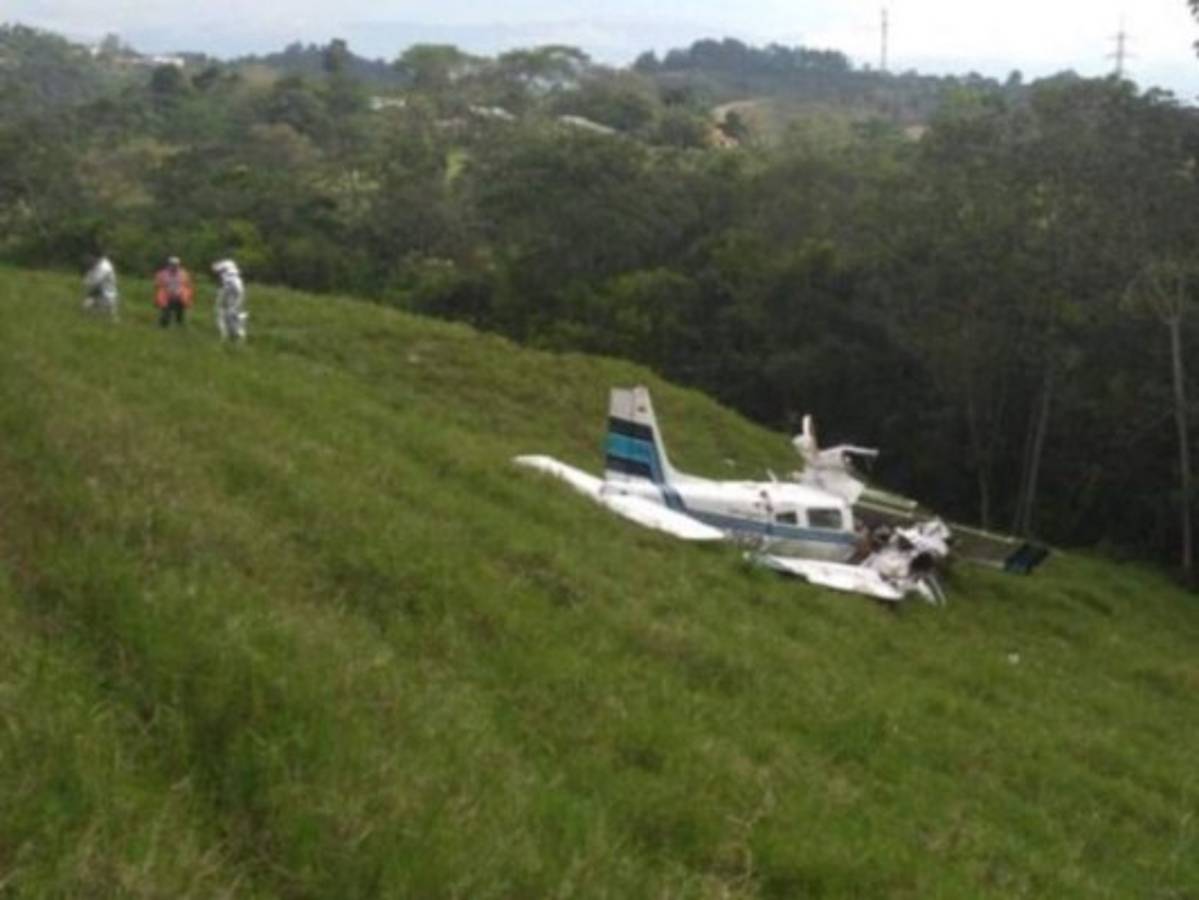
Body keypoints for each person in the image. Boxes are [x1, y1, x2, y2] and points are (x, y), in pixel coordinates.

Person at [211, 259, 247, 342]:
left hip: (229, 285)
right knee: (234, 312)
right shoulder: (231, 264)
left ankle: (226, 335)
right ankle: (237, 334)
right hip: (239, 286)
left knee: (221, 311)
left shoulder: (223, 268)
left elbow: (216, 269)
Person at [154, 256, 194, 328]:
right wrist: (164, 292)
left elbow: (188, 286)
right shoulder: (162, 273)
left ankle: (179, 324)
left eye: (176, 265)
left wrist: (188, 297)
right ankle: (164, 325)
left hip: (180, 295)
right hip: (166, 295)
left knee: (180, 309)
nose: (174, 266)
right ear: (169, 264)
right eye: (172, 264)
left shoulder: (183, 273)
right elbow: (157, 285)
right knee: (166, 310)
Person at [82, 253, 119, 320]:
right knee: (90, 312)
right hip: (101, 293)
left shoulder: (104, 267)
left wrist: (90, 294)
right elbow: (88, 280)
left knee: (105, 315)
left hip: (107, 295)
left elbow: (96, 282)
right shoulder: (96, 265)